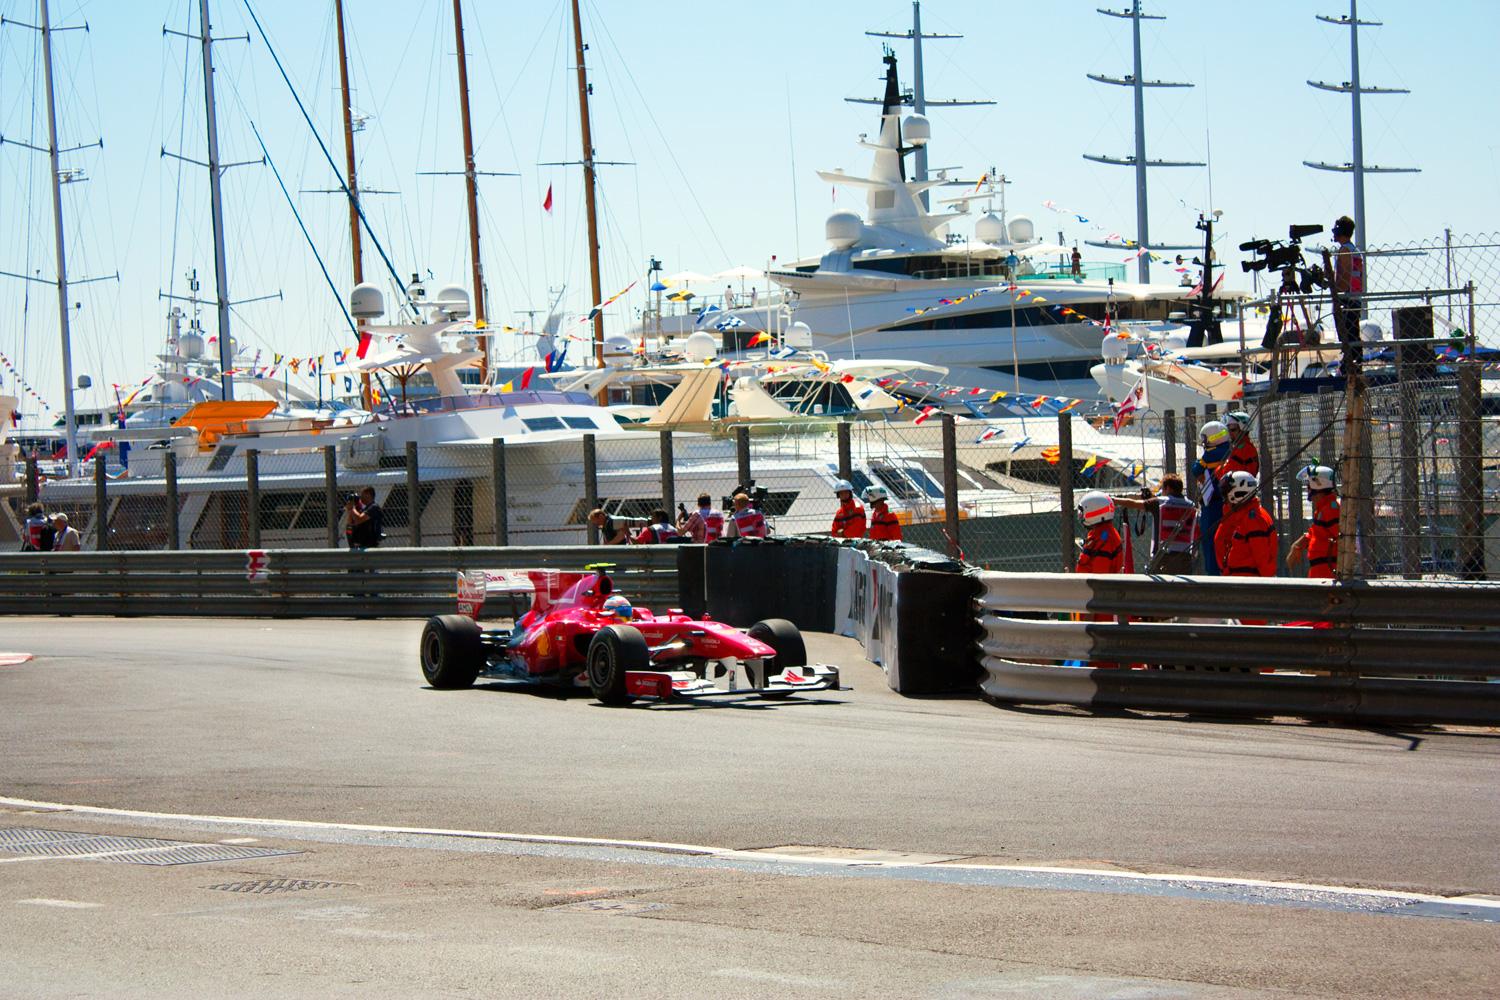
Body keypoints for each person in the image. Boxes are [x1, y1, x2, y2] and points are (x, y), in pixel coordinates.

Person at [1114, 473, 1198, 574]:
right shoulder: (1191, 505)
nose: (1161, 492)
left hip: (1162, 557)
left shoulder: (1160, 503)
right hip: (1185, 557)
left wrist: (1114, 500)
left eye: (1162, 489)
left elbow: (1134, 503)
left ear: (1168, 488)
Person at [1216, 471, 1278, 581]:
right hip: (1243, 581)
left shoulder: (1253, 520)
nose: (1225, 500)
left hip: (1249, 583)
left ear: (1237, 494)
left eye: (1226, 494)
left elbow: (1262, 558)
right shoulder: (1248, 516)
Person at [1193, 421, 1233, 575]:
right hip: (1226, 502)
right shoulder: (1230, 450)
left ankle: (1214, 575)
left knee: (1210, 542)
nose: (1204, 442)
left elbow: (1196, 468)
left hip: (1212, 504)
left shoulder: (1210, 454)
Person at [1288, 465, 1340, 579]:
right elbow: (1315, 532)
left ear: (1318, 484)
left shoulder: (1331, 509)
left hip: (1328, 573)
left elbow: (1342, 539)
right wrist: (1297, 546)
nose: (1308, 489)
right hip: (1320, 572)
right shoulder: (1323, 509)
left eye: (1309, 485)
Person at [1325, 215, 1364, 363]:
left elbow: (1344, 277)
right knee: (1353, 334)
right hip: (1354, 297)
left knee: (1347, 335)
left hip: (1346, 299)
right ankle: (1353, 363)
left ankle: (1351, 364)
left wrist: (1333, 286)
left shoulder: (1345, 251)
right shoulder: (1354, 250)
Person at [1075, 491, 1125, 574]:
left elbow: (1099, 577)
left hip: (1091, 585)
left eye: (1082, 513)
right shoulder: (1103, 532)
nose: (1081, 516)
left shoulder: (1104, 541)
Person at [1222, 410, 1260, 478]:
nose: (1230, 433)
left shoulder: (1246, 449)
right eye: (1228, 430)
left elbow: (1229, 471)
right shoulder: (1236, 447)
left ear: (1243, 430)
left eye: (1233, 430)